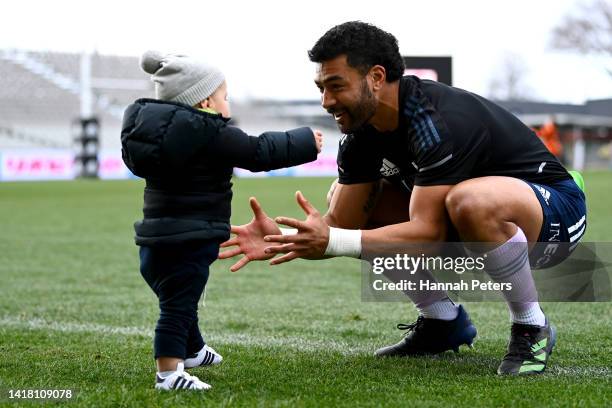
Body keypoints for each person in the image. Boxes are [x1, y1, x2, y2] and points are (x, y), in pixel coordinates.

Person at [219, 22, 587, 376]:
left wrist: (334, 240)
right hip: (473, 227)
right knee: (354, 200)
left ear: (376, 77)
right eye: (321, 88)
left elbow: (424, 234)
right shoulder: (360, 134)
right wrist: (282, 238)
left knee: (471, 200)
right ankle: (442, 320)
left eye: (336, 86)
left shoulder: (434, 121)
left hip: (554, 218)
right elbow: (341, 227)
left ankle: (531, 326)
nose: (326, 101)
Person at [121, 50, 323, 390]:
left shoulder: (156, 136)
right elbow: (258, 151)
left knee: (184, 298)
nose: (227, 107)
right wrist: (305, 141)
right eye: (224, 98)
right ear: (203, 103)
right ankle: (169, 373)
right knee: (177, 307)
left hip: (156, 239)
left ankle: (194, 349)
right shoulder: (208, 132)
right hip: (189, 238)